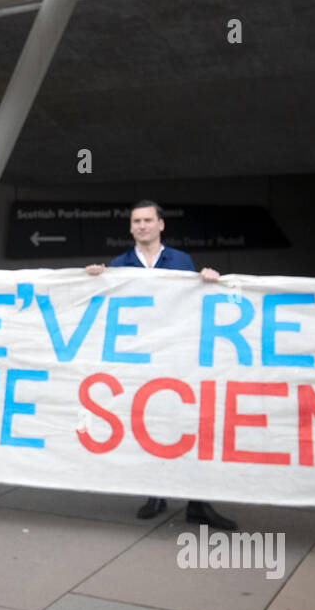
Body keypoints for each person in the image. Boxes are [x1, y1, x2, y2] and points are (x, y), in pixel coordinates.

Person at [86, 199, 238, 530]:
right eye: (136, 221)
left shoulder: (181, 261)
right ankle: (155, 494)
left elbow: (195, 303)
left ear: (160, 225)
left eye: (147, 220)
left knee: (186, 425)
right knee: (148, 426)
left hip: (178, 359)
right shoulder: (119, 264)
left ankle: (198, 503)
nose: (142, 226)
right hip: (141, 361)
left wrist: (209, 280)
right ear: (131, 228)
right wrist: (94, 279)